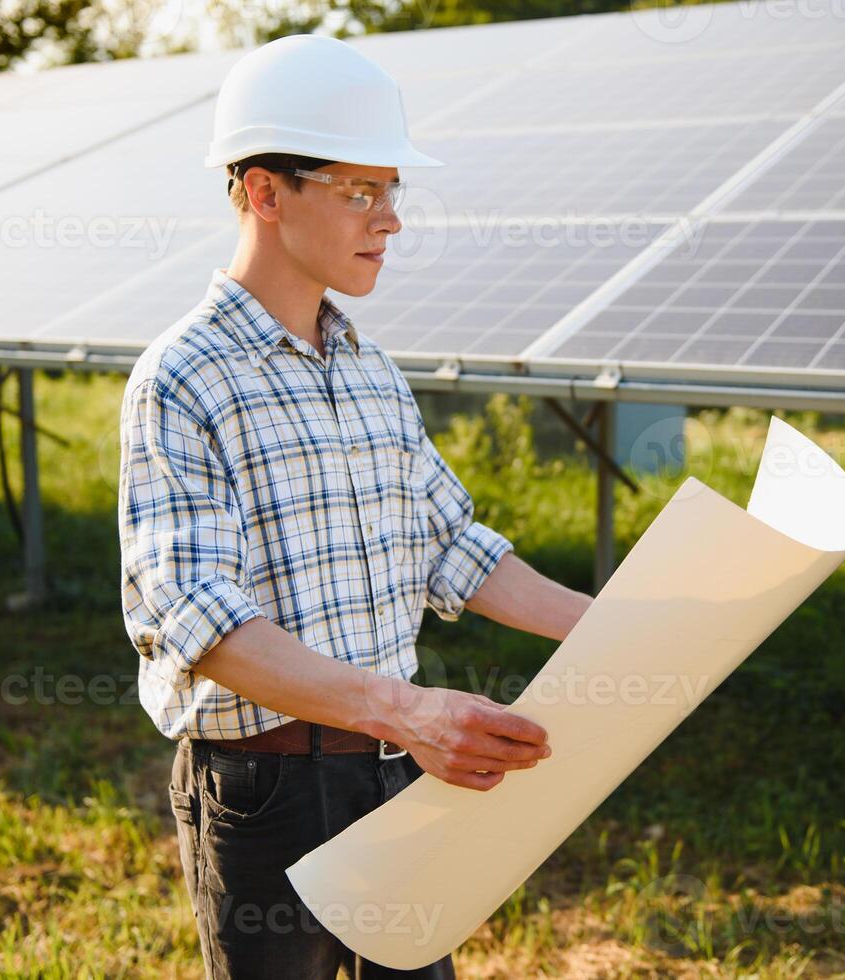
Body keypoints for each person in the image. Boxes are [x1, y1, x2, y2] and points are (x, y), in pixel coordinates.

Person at [117, 33, 594, 980]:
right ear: (264, 191)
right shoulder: (182, 378)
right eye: (360, 191)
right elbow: (204, 626)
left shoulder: (371, 371)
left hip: (400, 774)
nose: (391, 220)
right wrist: (407, 711)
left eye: (393, 191)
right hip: (264, 793)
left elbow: (451, 547)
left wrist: (618, 628)